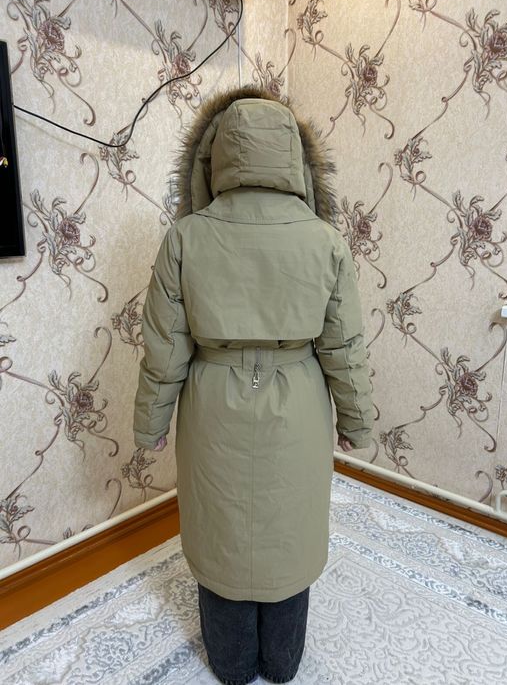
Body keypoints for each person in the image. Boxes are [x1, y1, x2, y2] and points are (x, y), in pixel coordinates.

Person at [133, 86, 374, 684]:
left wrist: (152, 422)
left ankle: (233, 664)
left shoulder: (186, 237)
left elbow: (165, 345)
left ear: (215, 156)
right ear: (294, 158)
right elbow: (344, 346)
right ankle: (283, 662)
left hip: (213, 403)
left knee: (220, 532)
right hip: (299, 402)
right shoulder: (324, 240)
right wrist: (356, 420)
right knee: (290, 531)